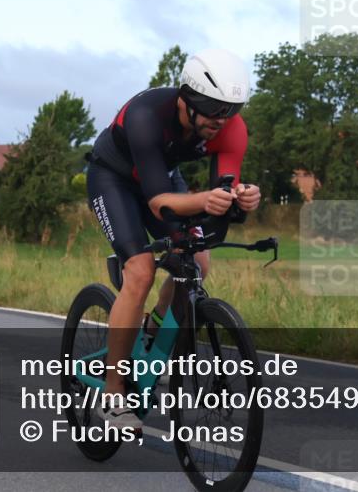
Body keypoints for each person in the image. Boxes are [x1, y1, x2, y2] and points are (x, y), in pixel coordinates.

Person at [85, 48, 261, 429]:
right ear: (187, 100)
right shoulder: (146, 115)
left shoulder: (231, 129)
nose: (221, 121)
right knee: (140, 271)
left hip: (162, 177)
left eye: (230, 111)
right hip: (113, 178)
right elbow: (158, 202)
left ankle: (151, 334)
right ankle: (113, 396)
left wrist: (241, 199)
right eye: (213, 110)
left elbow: (224, 190)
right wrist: (204, 200)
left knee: (198, 262)